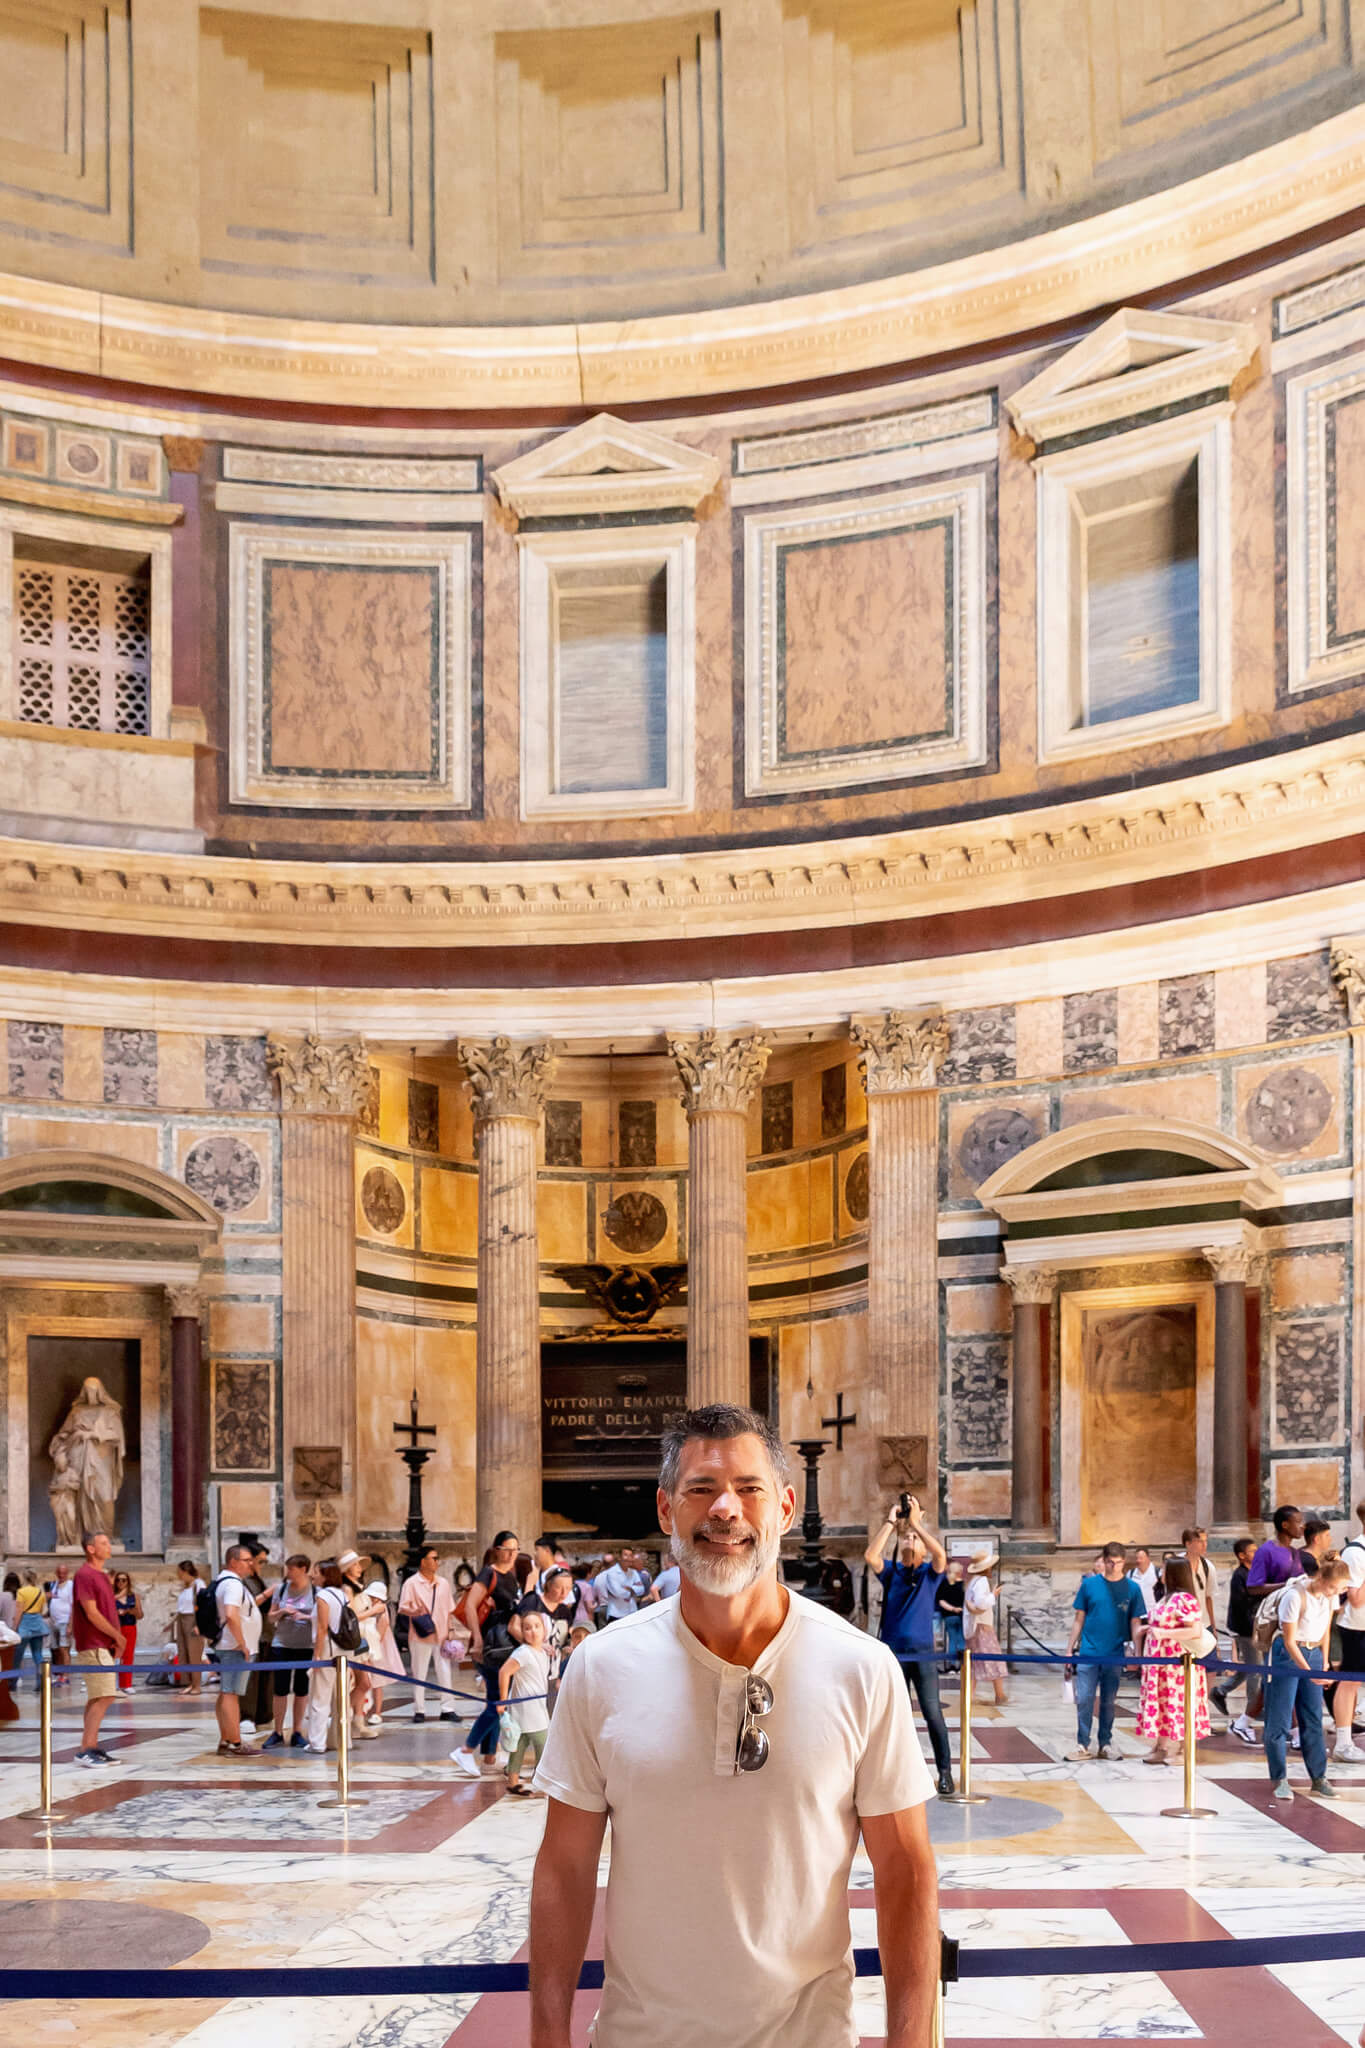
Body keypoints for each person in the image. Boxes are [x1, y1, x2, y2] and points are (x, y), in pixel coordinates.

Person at [529, 1403, 939, 2048]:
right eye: (701, 1489)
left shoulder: (861, 1667)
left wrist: (911, 2043)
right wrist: (546, 2037)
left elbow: (906, 1870)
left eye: (748, 1488)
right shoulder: (602, 1666)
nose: (725, 1509)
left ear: (783, 1506)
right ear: (667, 1510)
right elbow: (564, 1866)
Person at [864, 1494, 955, 1796]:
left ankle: (944, 1772)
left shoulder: (929, 1575)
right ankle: (894, 1774)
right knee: (893, 1717)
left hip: (924, 1655)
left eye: (914, 1538)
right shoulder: (892, 1573)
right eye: (907, 1537)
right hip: (894, 1655)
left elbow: (940, 1556)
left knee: (932, 1713)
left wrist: (917, 1524)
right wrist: (892, 1523)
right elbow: (870, 1556)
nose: (909, 1540)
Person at [1265, 1553, 1351, 1800]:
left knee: (1313, 1717)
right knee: (1280, 1719)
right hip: (1288, 1654)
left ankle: (1318, 1777)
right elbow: (1290, 1641)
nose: (1336, 1592)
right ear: (1322, 1578)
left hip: (1313, 1653)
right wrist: (1307, 1671)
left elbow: (1325, 1629)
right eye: (1334, 1587)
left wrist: (1323, 1663)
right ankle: (1279, 1778)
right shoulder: (1295, 1595)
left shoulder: (1329, 1596)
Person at [451, 1529, 521, 1776]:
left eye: (516, 1549)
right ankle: (466, 1749)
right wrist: (477, 1641)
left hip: (505, 1645)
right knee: (497, 1703)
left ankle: (490, 1755)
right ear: (496, 1550)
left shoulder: (510, 1576)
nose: (512, 1553)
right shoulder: (488, 1573)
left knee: (495, 1700)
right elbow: (470, 1605)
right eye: (507, 1549)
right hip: (491, 1646)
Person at [1066, 1542, 1144, 1761]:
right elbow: (1079, 1618)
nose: (1114, 1567)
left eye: (1119, 1563)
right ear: (1105, 1560)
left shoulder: (1133, 1588)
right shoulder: (1089, 1585)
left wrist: (1137, 1654)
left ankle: (1105, 1742)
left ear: (1124, 1562)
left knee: (1109, 1700)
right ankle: (1082, 1743)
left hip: (1115, 1651)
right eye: (1110, 1562)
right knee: (1085, 1699)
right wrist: (1069, 1649)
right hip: (1089, 1651)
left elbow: (1135, 1622)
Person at [1135, 1557, 1212, 1765]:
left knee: (1178, 1703)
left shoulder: (1185, 1599)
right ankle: (1161, 1745)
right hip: (1159, 1662)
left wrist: (1161, 1632)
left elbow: (1194, 1630)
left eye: (1164, 1570)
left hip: (1176, 1663)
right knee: (1163, 1704)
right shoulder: (1165, 1598)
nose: (1161, 1573)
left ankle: (1183, 1749)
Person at [72, 1530, 123, 1765]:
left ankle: (91, 1745)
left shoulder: (102, 1575)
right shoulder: (85, 1574)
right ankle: (85, 1748)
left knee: (97, 1696)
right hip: (93, 1643)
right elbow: (91, 1613)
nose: (108, 1546)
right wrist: (117, 1636)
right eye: (104, 1543)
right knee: (105, 1695)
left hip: (103, 1642)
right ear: (90, 1548)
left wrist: (114, 1638)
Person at [398, 1545, 459, 1723]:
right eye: (433, 1558)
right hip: (421, 1634)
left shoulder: (443, 1583)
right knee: (419, 1671)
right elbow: (403, 1607)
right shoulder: (411, 1583)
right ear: (423, 1561)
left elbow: (449, 1610)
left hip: (440, 1634)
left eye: (437, 1558)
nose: (436, 1562)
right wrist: (414, 1610)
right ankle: (419, 1709)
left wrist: (450, 1630)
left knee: (445, 1671)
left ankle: (448, 1708)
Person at [212, 1544, 263, 1756]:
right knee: (231, 1693)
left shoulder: (227, 1582)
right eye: (246, 1560)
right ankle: (235, 1742)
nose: (250, 1564)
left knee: (227, 1692)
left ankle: (226, 1739)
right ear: (233, 1561)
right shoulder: (232, 1585)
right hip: (235, 1647)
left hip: (231, 1645)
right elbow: (231, 1615)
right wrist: (243, 1643)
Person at [1210, 1537, 1261, 1743]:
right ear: (1242, 1556)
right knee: (1256, 1670)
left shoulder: (1254, 1573)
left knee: (1250, 1666)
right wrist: (1253, 1629)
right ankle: (1252, 1710)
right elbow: (1243, 1605)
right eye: (1252, 1551)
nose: (1256, 1553)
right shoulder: (1240, 1575)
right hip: (1247, 1630)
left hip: (1255, 1628)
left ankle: (1220, 1690)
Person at [262, 1554, 314, 1750]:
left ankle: (297, 1731)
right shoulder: (281, 1589)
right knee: (280, 1689)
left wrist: (304, 1616)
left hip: (305, 1645)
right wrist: (283, 1612)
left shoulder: (315, 1591)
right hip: (282, 1644)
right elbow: (270, 1618)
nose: (288, 1572)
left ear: (303, 1569)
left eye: (292, 1569)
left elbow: (321, 1617)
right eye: (287, 1569)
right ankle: (277, 1731)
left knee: (302, 1690)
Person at [500, 1607, 553, 1796]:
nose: (533, 1631)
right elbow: (504, 1672)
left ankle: (513, 1781)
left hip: (533, 1708)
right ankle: (540, 1782)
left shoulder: (541, 1652)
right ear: (522, 1632)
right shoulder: (522, 1652)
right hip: (529, 1709)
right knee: (543, 1745)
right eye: (527, 1628)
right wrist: (502, 1699)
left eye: (537, 1626)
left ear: (544, 1630)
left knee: (519, 1745)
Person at [304, 1558, 350, 1753]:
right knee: (341, 1697)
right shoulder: (342, 1594)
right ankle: (343, 1740)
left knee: (319, 1697)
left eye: (315, 1571)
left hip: (327, 1650)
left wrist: (316, 1655)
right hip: (344, 1650)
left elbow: (322, 1627)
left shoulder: (322, 1596)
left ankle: (317, 1742)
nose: (312, 1575)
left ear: (324, 1575)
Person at [1331, 1498, 1365, 1764]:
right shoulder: (1356, 1552)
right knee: (1350, 1683)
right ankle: (1343, 1742)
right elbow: (1355, 1598)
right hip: (1357, 1628)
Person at [963, 1549, 1008, 1703]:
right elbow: (981, 1603)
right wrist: (993, 1595)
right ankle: (1000, 1695)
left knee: (973, 1663)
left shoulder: (972, 1582)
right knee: (993, 1658)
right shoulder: (981, 1582)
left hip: (974, 1627)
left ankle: (969, 1696)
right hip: (982, 1626)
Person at [1247, 1507, 1305, 1593]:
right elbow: (1253, 1588)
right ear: (1285, 1525)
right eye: (1298, 1522)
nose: (1302, 1526)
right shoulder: (1265, 1551)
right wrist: (1286, 1585)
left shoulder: (1294, 1552)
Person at [172, 1560, 205, 1694]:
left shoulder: (199, 1585)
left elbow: (202, 1606)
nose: (178, 1575)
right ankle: (189, 1682)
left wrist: (199, 1624)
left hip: (193, 1620)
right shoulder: (186, 1586)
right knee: (184, 1652)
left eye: (180, 1572)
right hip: (182, 1619)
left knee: (194, 1653)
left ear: (185, 1571)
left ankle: (197, 1684)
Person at [593, 1547, 648, 1624]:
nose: (628, 1558)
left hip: (632, 1612)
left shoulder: (633, 1572)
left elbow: (641, 1589)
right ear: (619, 1558)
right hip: (616, 1614)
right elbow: (619, 1592)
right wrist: (633, 1591)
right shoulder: (612, 1573)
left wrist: (630, 1589)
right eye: (626, 1555)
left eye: (630, 1555)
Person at [15, 1572, 49, 1691]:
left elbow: (19, 1611)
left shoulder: (21, 1591)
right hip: (37, 1623)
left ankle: (13, 1682)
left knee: (18, 1655)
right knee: (38, 1654)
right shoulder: (40, 1592)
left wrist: (15, 1628)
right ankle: (41, 1681)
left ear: (24, 1578)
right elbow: (41, 1610)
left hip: (24, 1623)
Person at [111, 1570, 141, 1690]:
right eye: (118, 1580)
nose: (120, 1583)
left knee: (128, 1655)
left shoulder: (133, 1597)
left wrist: (129, 1611)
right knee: (115, 1655)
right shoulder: (112, 1596)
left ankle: (126, 1683)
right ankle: (114, 1684)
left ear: (128, 1582)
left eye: (123, 1580)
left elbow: (140, 1614)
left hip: (130, 1627)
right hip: (117, 1628)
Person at [1182, 1527, 1217, 1630]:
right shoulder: (1176, 1565)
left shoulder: (1208, 1566)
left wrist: (1213, 1626)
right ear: (1188, 1544)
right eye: (1199, 1541)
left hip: (1204, 1623)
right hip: (1183, 1623)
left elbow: (1208, 1597)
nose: (1204, 1545)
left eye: (1205, 1541)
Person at [47, 1563, 73, 1686]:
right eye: (59, 1573)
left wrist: (70, 1625)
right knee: (56, 1649)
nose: (61, 1575)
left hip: (65, 1621)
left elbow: (73, 1606)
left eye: (63, 1573)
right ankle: (60, 1674)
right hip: (54, 1621)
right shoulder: (54, 1584)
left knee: (64, 1649)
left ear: (67, 1573)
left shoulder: (70, 1585)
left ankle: (66, 1676)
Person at [936, 1561, 965, 1668]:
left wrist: (952, 1609)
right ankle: (963, 1664)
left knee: (952, 1640)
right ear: (959, 1572)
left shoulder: (944, 1584)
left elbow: (941, 1601)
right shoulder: (964, 1585)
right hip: (962, 1616)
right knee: (961, 1639)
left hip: (949, 1616)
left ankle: (952, 1664)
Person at [1129, 1546, 1160, 1614]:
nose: (1138, 1561)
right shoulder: (1130, 1574)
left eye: (1141, 1558)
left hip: (1155, 1613)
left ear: (1148, 1558)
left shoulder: (1157, 1572)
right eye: (1136, 1558)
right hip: (1137, 1614)